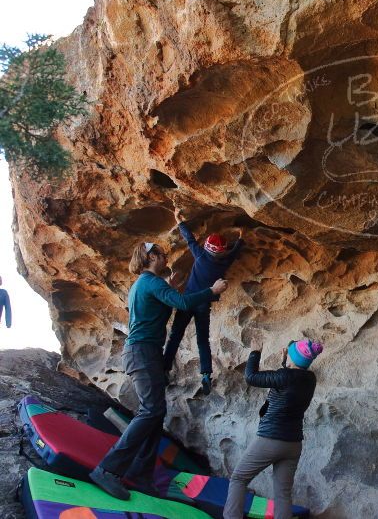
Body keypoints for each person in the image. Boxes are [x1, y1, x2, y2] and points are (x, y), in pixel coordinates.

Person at [89, 241, 229, 500]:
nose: (166, 258)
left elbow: (159, 307)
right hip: (141, 352)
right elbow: (184, 303)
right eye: (162, 254)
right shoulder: (150, 282)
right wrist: (211, 290)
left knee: (156, 412)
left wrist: (171, 288)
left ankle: (142, 476)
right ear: (151, 256)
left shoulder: (147, 285)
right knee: (151, 410)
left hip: (146, 353)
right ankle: (107, 470)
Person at [223, 339, 323, 519]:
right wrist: (286, 361)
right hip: (293, 444)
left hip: (270, 440)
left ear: (294, 359)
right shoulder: (310, 380)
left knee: (238, 479)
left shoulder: (284, 377)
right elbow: (290, 378)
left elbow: (251, 377)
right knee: (283, 494)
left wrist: (255, 352)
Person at [163, 214, 243, 395]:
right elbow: (234, 252)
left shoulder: (200, 256)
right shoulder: (224, 261)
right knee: (202, 340)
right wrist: (241, 238)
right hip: (204, 304)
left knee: (175, 335)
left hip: (188, 300)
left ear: (207, 248)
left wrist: (180, 221)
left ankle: (164, 369)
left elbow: (190, 239)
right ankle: (206, 374)